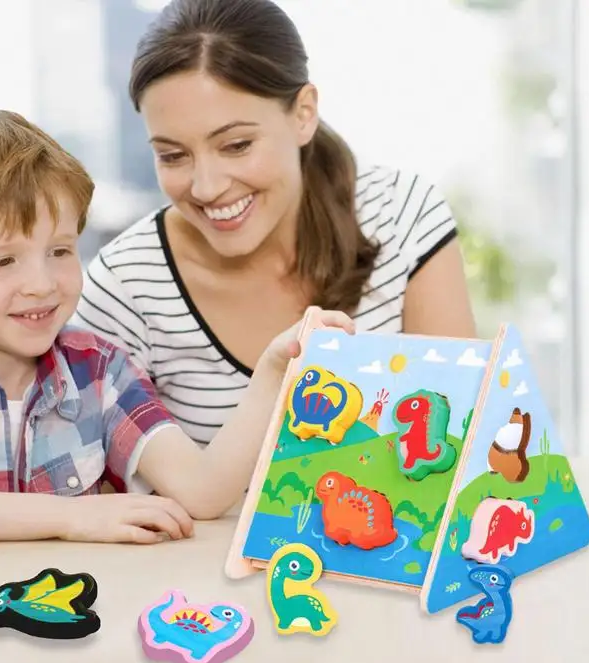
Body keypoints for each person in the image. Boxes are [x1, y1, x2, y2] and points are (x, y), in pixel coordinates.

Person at [0, 109, 354, 544]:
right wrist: (69, 517)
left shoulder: (100, 370)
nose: (42, 284)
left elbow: (203, 492)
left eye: (60, 251)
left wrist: (273, 373)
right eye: (3, 261)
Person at [74, 0, 477, 447]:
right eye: (172, 155)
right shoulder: (124, 288)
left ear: (303, 114)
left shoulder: (402, 215)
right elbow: (94, 479)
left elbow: (459, 439)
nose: (206, 187)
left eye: (236, 145)